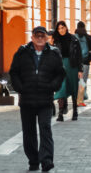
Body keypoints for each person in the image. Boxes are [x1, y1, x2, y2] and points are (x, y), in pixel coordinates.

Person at [9, 26, 65, 172]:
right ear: (32, 37)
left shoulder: (54, 53)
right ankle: (33, 160)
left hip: (45, 100)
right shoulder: (22, 52)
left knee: (45, 128)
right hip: (27, 100)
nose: (40, 39)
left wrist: (53, 86)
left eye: (42, 36)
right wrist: (20, 88)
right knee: (29, 132)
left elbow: (60, 73)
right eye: (37, 36)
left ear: (47, 38)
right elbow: (13, 72)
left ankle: (46, 161)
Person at [51, 22, 81, 121]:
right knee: (61, 88)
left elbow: (79, 55)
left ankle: (75, 111)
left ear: (66, 28)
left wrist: (80, 69)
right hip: (60, 66)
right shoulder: (56, 41)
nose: (61, 30)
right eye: (59, 28)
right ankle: (60, 114)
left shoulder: (74, 39)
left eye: (62, 28)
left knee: (73, 88)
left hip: (72, 66)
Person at [73, 21, 91, 107]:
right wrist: (88, 60)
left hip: (75, 63)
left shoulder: (73, 37)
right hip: (85, 63)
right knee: (82, 81)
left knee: (76, 80)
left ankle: (75, 98)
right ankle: (80, 100)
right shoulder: (89, 37)